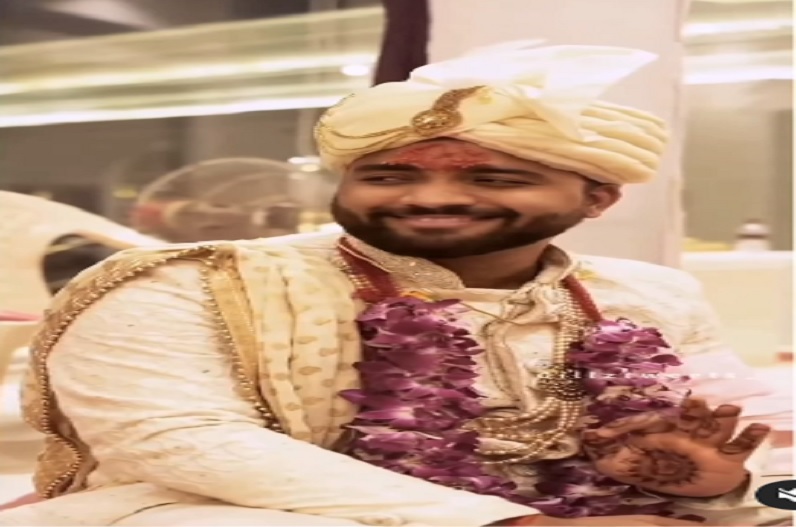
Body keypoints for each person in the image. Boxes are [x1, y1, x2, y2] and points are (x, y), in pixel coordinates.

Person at [0, 43, 789, 527]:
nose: (433, 196)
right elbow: (180, 442)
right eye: (386, 173)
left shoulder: (652, 295)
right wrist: (509, 524)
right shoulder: (193, 282)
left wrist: (721, 482)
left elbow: (745, 428)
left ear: (598, 198)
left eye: (495, 175)